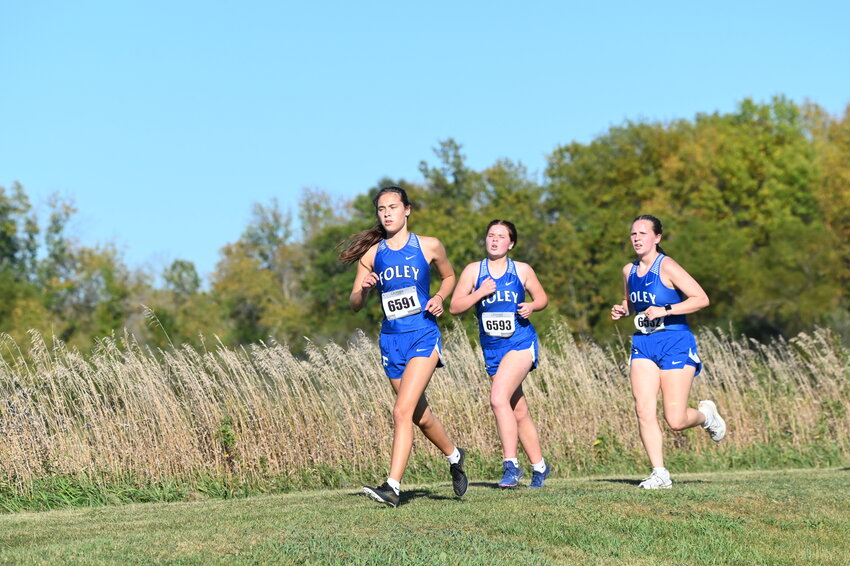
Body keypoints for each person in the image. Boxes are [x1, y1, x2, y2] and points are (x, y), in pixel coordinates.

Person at [338, 185, 468, 507]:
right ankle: (454, 455)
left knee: (401, 411)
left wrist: (438, 297)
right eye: (381, 209)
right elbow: (354, 302)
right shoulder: (371, 255)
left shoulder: (429, 246)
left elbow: (449, 277)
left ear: (407, 209)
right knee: (419, 417)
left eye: (393, 207)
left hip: (423, 335)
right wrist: (365, 289)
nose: (387, 214)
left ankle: (392, 487)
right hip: (391, 341)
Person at [610, 214, 727, 489]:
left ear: (657, 238)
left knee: (675, 419)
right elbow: (631, 302)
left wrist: (667, 310)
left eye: (642, 233)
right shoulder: (628, 271)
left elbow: (701, 299)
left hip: (675, 342)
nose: (636, 238)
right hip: (644, 344)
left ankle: (706, 416)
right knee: (643, 408)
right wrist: (623, 309)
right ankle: (659, 473)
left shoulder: (668, 267)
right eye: (633, 234)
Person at [450, 220, 551, 488]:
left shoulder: (522, 270)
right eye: (491, 235)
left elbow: (542, 298)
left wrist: (531, 306)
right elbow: (455, 306)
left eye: (501, 236)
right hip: (492, 349)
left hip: (520, 343)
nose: (494, 240)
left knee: (497, 399)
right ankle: (540, 467)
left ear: (511, 243)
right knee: (517, 409)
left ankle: (511, 466)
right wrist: (480, 293)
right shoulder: (473, 271)